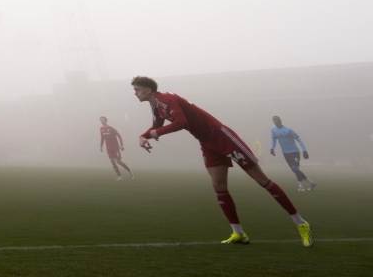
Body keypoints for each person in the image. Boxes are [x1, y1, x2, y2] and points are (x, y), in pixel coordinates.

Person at [132, 76, 310, 246]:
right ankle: (239, 233)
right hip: (207, 142)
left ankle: (301, 223)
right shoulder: (156, 105)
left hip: (221, 136)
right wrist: (143, 135)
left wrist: (157, 133)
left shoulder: (167, 98)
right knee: (219, 187)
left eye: (137, 89)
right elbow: (157, 126)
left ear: (148, 90)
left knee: (262, 180)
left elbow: (181, 122)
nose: (135, 93)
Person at [267, 116, 313, 191]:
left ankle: (305, 184)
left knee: (295, 168)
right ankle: (306, 184)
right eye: (274, 120)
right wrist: (272, 148)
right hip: (285, 153)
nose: (275, 121)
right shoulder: (273, 130)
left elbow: (299, 139)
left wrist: (304, 150)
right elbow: (273, 140)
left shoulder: (288, 130)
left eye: (277, 120)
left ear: (280, 120)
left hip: (294, 152)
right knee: (294, 169)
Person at [100, 115, 133, 180]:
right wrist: (101, 146)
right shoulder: (101, 129)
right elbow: (102, 138)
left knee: (119, 162)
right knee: (112, 162)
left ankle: (130, 171)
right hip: (108, 148)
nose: (102, 121)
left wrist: (121, 145)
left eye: (103, 119)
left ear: (106, 120)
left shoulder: (111, 128)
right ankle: (120, 176)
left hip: (115, 147)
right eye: (101, 120)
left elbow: (119, 136)